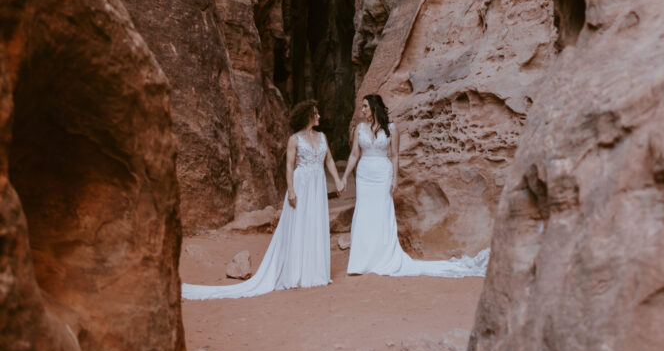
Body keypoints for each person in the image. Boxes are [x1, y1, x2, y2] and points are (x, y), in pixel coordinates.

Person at [182, 100, 343, 299]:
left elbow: (329, 160)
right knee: (300, 224)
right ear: (308, 116)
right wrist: (291, 191)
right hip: (302, 184)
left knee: (315, 224)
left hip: (317, 184)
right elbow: (289, 166)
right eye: (316, 113)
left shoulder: (322, 137)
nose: (319, 117)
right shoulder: (294, 139)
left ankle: (315, 272)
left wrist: (337, 181)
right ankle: (297, 273)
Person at [340, 93, 489, 277]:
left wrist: (395, 178)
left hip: (382, 174)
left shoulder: (392, 128)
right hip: (364, 175)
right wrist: (345, 176)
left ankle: (381, 258)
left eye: (364, 106)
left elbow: (395, 155)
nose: (362, 110)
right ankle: (361, 261)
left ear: (374, 108)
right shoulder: (360, 129)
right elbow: (355, 154)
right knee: (363, 212)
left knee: (380, 213)